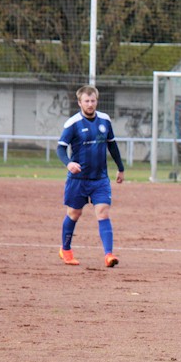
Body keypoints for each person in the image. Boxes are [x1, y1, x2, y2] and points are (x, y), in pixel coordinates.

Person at [56, 85, 125, 268]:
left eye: (93, 100)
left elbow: (112, 145)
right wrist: (69, 163)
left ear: (97, 101)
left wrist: (120, 168)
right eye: (86, 101)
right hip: (78, 180)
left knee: (103, 212)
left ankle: (108, 255)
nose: (90, 104)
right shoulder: (72, 124)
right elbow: (60, 148)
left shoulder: (104, 120)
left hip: (100, 179)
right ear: (79, 102)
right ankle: (66, 249)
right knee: (74, 213)